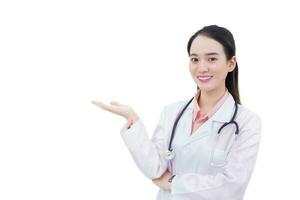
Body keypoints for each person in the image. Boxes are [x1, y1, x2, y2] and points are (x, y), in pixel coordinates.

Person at [92, 25, 262, 200]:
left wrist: (175, 182)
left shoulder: (247, 122)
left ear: (231, 63)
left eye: (211, 59)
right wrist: (132, 119)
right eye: (194, 59)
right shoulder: (172, 112)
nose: (201, 68)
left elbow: (231, 186)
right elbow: (155, 169)